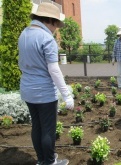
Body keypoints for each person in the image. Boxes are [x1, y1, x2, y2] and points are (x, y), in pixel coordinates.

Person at [18, 2, 73, 165]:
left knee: (37, 127)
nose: (56, 28)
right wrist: (67, 95)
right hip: (44, 93)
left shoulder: (24, 34)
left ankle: (41, 160)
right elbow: (54, 70)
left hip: (27, 90)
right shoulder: (46, 38)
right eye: (56, 24)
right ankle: (50, 162)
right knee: (48, 129)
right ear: (50, 20)